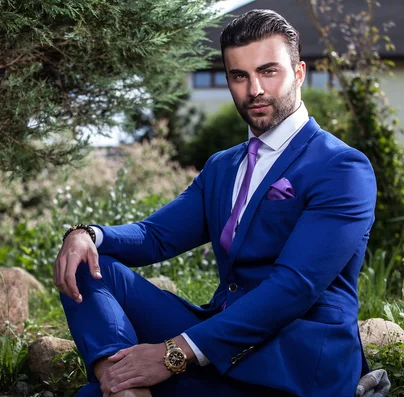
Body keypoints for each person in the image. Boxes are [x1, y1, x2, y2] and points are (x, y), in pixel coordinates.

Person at [54, 9, 376, 397]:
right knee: (90, 262)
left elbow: (293, 288)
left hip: (294, 364)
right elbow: (155, 237)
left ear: (299, 72)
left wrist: (171, 354)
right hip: (221, 339)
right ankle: (118, 378)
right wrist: (88, 233)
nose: (254, 88)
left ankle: (114, 385)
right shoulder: (223, 166)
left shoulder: (341, 167)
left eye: (268, 71)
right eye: (239, 76)